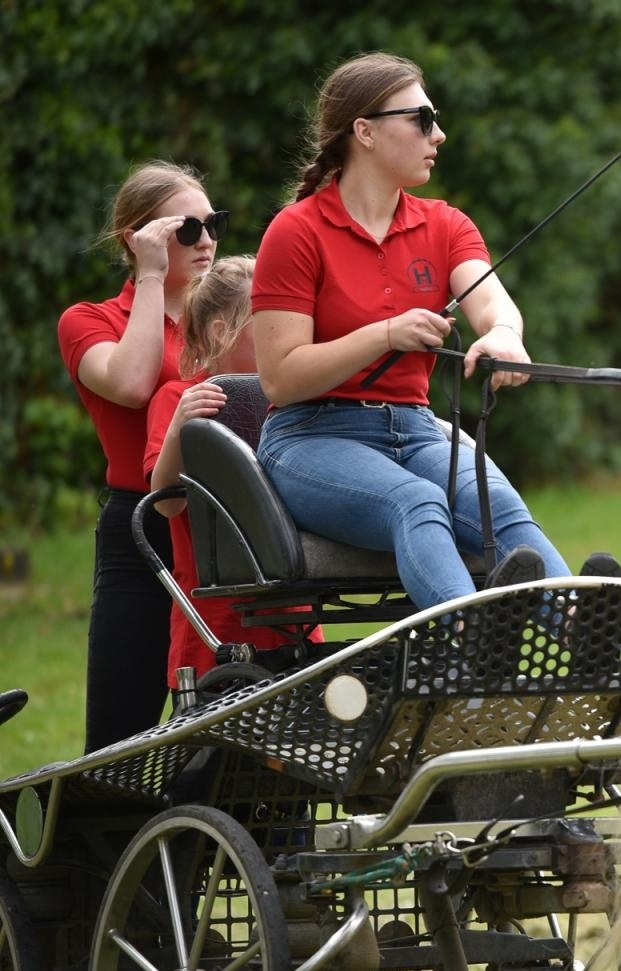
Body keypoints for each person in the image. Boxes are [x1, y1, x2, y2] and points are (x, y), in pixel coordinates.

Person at [253, 51, 566, 610]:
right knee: (416, 503)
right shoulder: (295, 231)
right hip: (311, 436)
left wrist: (503, 337)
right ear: (365, 132)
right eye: (422, 120)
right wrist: (385, 333)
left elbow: (494, 306)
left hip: (419, 430)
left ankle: (585, 631)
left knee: (501, 506)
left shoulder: (446, 224)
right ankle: (470, 649)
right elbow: (279, 379)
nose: (438, 134)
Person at [58, 160, 227, 752]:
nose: (206, 240)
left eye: (214, 225)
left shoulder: (229, 317)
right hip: (144, 523)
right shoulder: (90, 320)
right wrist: (153, 280)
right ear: (138, 238)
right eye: (187, 229)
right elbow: (131, 384)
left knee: (235, 712)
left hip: (229, 523)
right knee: (120, 728)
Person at [145, 256, 323, 690]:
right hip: (215, 625)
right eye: (269, 323)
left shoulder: (297, 401)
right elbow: (165, 502)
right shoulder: (180, 399)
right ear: (221, 333)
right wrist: (180, 430)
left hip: (295, 618)